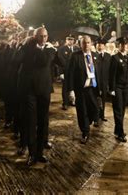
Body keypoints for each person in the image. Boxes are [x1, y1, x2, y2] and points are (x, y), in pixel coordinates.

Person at [16, 27, 57, 166]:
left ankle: (40, 153)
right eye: (40, 36)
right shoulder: (27, 48)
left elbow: (45, 61)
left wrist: (35, 48)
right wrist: (25, 46)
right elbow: (16, 60)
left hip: (44, 90)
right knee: (31, 122)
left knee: (43, 121)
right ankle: (32, 154)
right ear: (35, 37)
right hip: (29, 90)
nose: (43, 39)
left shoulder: (50, 49)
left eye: (45, 36)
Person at [67, 35, 100, 144]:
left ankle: (88, 122)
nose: (86, 45)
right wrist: (71, 90)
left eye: (88, 43)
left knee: (94, 109)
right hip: (81, 89)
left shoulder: (95, 56)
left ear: (91, 44)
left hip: (93, 88)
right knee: (82, 111)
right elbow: (70, 74)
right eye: (84, 43)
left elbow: (99, 73)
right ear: (80, 44)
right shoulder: (75, 56)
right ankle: (85, 132)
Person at [109, 37, 128, 143]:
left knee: (122, 109)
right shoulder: (114, 58)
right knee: (118, 109)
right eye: (122, 44)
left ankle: (117, 129)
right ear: (119, 46)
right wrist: (112, 89)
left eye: (126, 44)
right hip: (118, 87)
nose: (124, 46)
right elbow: (112, 75)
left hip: (126, 87)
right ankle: (120, 133)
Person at [57, 35, 76, 110]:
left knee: (73, 87)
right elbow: (59, 62)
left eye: (72, 40)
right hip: (66, 71)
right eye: (69, 39)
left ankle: (72, 101)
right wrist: (61, 73)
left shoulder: (76, 49)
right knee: (65, 87)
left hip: (74, 72)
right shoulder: (62, 49)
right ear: (66, 40)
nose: (70, 41)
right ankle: (65, 103)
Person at [95, 38, 111, 122]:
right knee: (96, 100)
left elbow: (110, 70)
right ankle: (96, 118)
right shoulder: (93, 55)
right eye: (98, 44)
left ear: (104, 46)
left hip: (104, 82)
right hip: (95, 82)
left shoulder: (108, 56)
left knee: (103, 99)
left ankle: (102, 115)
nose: (99, 46)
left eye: (101, 44)